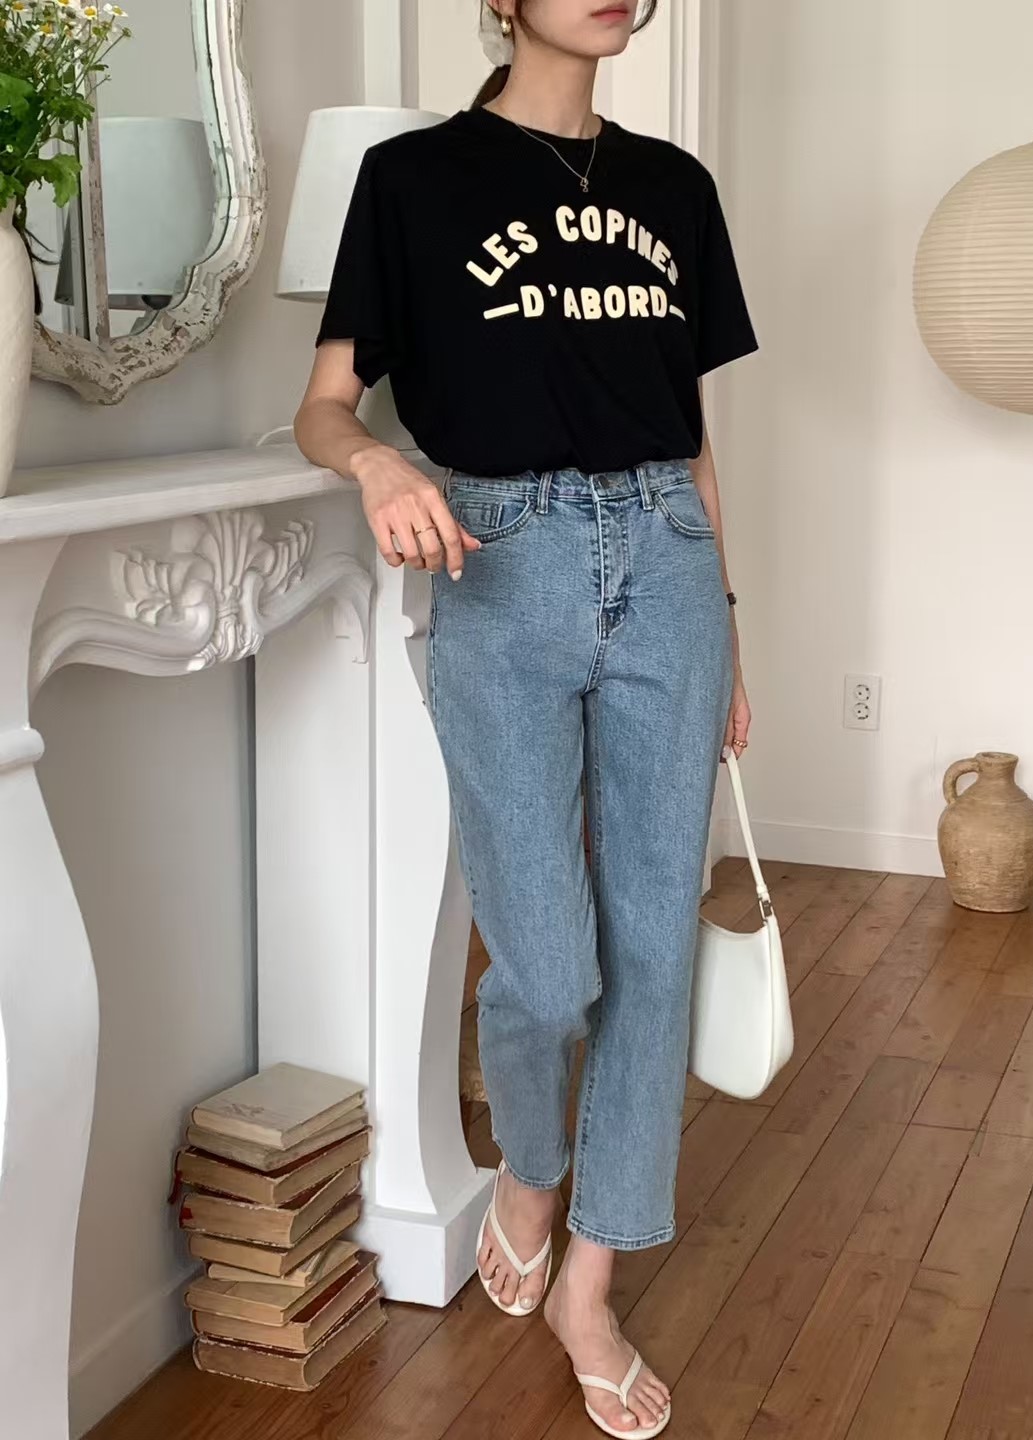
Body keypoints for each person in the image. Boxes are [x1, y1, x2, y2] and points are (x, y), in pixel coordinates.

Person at [293, 2, 756, 1433]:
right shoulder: (413, 179)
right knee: (549, 968)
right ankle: (534, 1171)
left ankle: (590, 1287)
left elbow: (691, 434)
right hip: (500, 563)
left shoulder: (675, 187)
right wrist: (378, 467)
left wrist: (728, 621)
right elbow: (321, 405)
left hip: (666, 562)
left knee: (655, 944)